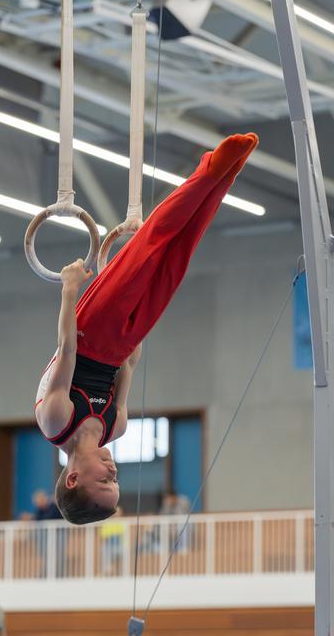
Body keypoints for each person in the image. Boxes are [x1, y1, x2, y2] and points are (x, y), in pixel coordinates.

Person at [35, 133, 259, 526]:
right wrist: (134, 340)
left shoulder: (56, 422)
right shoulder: (114, 428)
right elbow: (129, 370)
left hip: (90, 329)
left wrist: (70, 291)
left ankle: (211, 168)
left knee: (152, 242)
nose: (112, 469)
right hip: (124, 343)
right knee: (177, 258)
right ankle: (224, 180)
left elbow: (66, 350)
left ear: (73, 478)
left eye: (104, 479)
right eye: (116, 478)